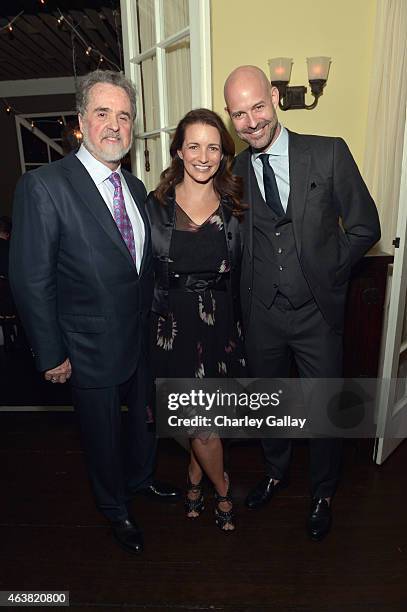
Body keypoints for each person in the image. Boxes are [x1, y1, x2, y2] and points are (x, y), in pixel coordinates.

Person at [9, 70, 179, 555]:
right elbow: (30, 277)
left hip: (140, 335)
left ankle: (143, 480)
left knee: (144, 421)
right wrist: (51, 353)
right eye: (103, 113)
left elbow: (139, 264)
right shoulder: (44, 186)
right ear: (82, 121)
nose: (115, 125)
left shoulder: (136, 186)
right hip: (85, 346)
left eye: (124, 116)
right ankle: (115, 508)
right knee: (102, 436)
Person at [224, 65, 381, 540]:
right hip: (262, 314)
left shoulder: (328, 153)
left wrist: (332, 269)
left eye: (257, 107)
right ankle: (275, 471)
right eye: (239, 115)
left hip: (317, 312)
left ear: (273, 96)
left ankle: (323, 491)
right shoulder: (233, 171)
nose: (251, 122)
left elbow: (365, 227)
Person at [146, 109, 246, 532]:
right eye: (194, 145)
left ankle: (193, 477)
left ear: (223, 154)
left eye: (213, 147)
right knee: (199, 423)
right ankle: (222, 487)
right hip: (173, 327)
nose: (203, 156)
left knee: (204, 418)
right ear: (178, 151)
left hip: (220, 325)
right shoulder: (155, 206)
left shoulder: (236, 205)